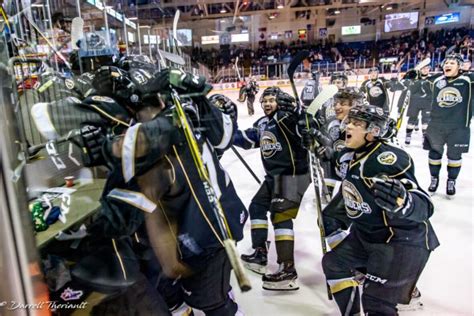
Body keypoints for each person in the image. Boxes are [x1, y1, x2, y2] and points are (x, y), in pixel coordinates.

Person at [87, 66, 248, 315]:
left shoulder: (158, 136)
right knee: (175, 296)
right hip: (191, 235)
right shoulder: (176, 118)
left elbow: (124, 215)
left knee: (210, 301)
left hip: (206, 235)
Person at [321, 104, 439, 315]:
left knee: (376, 303)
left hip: (402, 242)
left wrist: (405, 201)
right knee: (333, 263)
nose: (348, 126)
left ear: (373, 132)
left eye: (356, 124)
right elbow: (343, 173)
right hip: (368, 235)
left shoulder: (388, 159)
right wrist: (320, 150)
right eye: (349, 121)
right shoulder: (349, 154)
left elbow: (425, 205)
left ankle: (399, 286)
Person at [234, 87, 310, 291]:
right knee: (257, 207)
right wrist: (224, 133)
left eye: (271, 100)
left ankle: (287, 268)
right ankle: (259, 253)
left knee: (280, 215)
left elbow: (305, 127)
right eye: (264, 100)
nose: (267, 104)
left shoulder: (287, 118)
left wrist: (303, 119)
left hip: (293, 175)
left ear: (281, 102)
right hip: (273, 177)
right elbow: (248, 140)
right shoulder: (263, 123)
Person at [424, 53, 473, 197]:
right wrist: (414, 74)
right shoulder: (436, 80)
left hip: (459, 127)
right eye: (446, 63)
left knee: (454, 156)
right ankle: (434, 178)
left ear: (459, 66)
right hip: (436, 125)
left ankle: (451, 180)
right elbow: (415, 83)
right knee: (434, 154)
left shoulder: (468, 80)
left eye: (452, 63)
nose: (448, 65)